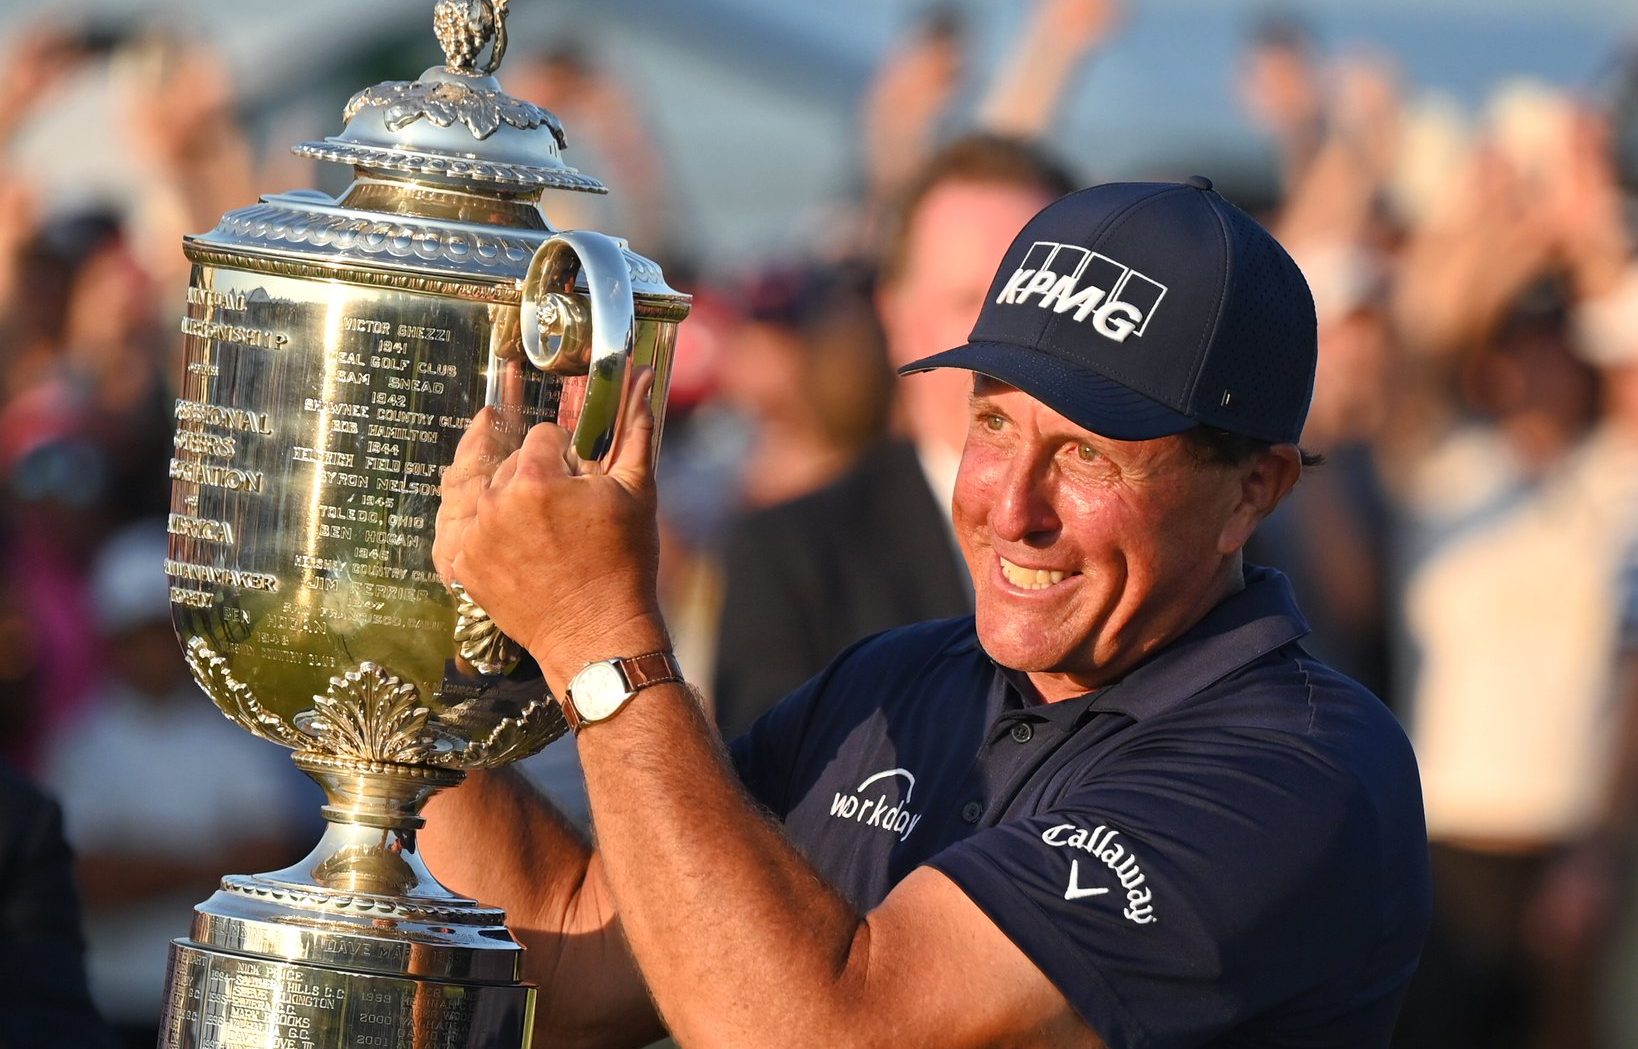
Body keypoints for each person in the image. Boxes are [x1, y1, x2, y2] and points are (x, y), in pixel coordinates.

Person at [424, 178, 1432, 1048]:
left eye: (1088, 452)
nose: (1009, 505)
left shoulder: (1297, 773)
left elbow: (823, 1032)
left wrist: (601, 632)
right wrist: (422, 646)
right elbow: (558, 968)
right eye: (993, 422)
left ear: (1255, 488)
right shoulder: (897, 679)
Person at [711, 133, 1076, 737]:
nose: (1009, 344)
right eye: (972, 303)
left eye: (1041, 304)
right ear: (898, 318)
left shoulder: (1163, 537)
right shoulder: (794, 558)